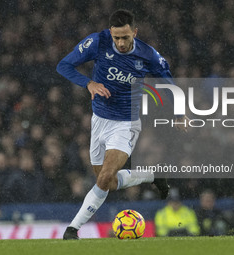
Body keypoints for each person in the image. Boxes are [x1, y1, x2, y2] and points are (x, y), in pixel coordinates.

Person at [56, 9, 188, 240]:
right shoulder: (98, 42)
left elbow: (169, 83)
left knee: (105, 178)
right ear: (110, 33)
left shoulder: (149, 56)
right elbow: (64, 65)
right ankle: (151, 175)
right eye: (116, 37)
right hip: (99, 121)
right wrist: (88, 84)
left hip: (125, 124)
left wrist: (179, 113)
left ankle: (72, 229)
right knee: (107, 182)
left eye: (125, 37)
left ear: (134, 32)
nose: (120, 42)